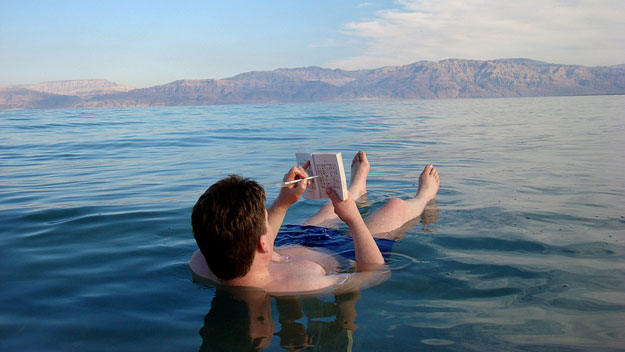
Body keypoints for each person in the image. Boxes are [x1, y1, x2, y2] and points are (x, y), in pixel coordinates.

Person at [190, 151, 440, 294]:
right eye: (267, 219)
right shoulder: (301, 283)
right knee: (394, 206)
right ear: (263, 243)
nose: (270, 219)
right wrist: (353, 220)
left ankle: (356, 187)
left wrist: (283, 202)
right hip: (345, 252)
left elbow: (254, 239)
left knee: (329, 207)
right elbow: (376, 274)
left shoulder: (204, 259)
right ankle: (423, 196)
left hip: (294, 243)